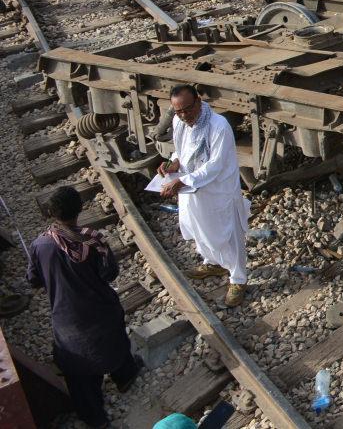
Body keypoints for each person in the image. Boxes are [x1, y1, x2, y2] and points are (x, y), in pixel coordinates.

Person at [26, 186, 140, 429]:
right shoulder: (93, 240)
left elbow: (34, 280)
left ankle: (95, 417)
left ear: (52, 213)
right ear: (79, 211)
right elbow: (109, 273)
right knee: (116, 343)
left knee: (78, 372)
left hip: (68, 320)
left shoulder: (40, 245)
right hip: (103, 313)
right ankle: (124, 378)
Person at [158, 84, 250, 308]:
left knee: (228, 232)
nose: (183, 116)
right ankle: (213, 262)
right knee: (200, 226)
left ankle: (238, 279)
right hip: (193, 187)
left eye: (187, 110)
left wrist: (182, 181)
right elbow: (181, 149)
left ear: (198, 102)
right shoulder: (180, 121)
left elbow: (215, 165)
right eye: (178, 111)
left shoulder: (219, 126)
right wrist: (173, 163)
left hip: (218, 189)